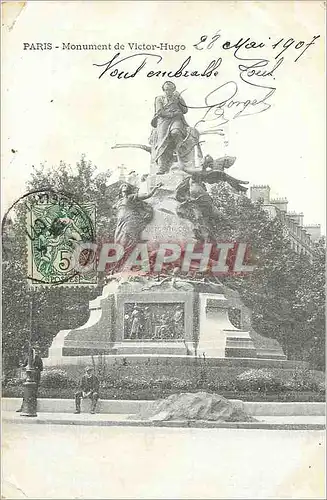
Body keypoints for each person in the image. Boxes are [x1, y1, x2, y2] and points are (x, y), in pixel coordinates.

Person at [151, 81, 189, 174]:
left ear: (174, 90)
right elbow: (160, 112)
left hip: (176, 120)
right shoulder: (159, 99)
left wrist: (180, 98)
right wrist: (173, 113)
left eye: (171, 89)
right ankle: (162, 166)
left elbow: (185, 110)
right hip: (163, 121)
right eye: (166, 90)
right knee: (162, 142)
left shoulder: (177, 98)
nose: (168, 91)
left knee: (176, 132)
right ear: (164, 90)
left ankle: (182, 161)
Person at [16, 345, 44, 412]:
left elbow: (41, 368)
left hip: (34, 377)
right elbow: (24, 365)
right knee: (27, 392)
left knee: (33, 392)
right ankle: (24, 407)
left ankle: (32, 407)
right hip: (30, 377)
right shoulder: (30, 358)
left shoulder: (36, 358)